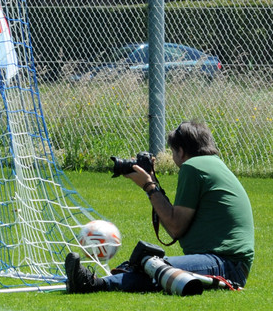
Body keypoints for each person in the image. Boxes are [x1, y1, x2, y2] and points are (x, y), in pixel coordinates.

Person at [65, 120, 254, 293]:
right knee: (140, 262)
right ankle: (95, 281)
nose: (173, 157)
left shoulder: (193, 167)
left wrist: (148, 186)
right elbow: (173, 223)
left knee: (150, 264)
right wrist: (152, 183)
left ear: (180, 150)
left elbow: (175, 228)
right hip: (229, 263)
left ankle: (93, 284)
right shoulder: (211, 165)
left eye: (172, 152)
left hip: (226, 266)